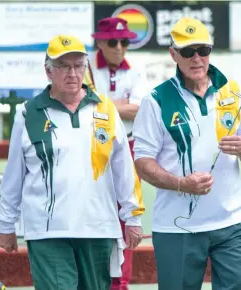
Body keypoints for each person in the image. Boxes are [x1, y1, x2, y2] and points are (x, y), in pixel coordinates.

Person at [0, 35, 145, 290]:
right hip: (48, 232)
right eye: (63, 66)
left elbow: (124, 170)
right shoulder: (27, 113)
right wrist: (7, 224)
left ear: (86, 70)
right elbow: (14, 176)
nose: (72, 73)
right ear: (48, 71)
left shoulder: (105, 110)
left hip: (98, 228)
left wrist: (132, 217)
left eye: (78, 66)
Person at [133, 17, 241, 290]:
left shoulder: (233, 92)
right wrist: (181, 183)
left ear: (210, 51)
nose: (196, 58)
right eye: (187, 51)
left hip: (233, 221)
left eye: (202, 50)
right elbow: (143, 162)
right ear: (173, 54)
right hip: (177, 227)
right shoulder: (155, 100)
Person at [84, 17, 148, 290]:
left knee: (127, 214)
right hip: (88, 148)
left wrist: (101, 102)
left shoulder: (137, 70)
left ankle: (120, 283)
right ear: (99, 41)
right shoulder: (83, 64)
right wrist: (118, 105)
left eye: (125, 41)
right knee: (88, 211)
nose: (120, 47)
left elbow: (137, 109)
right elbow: (81, 102)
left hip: (128, 147)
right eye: (113, 41)